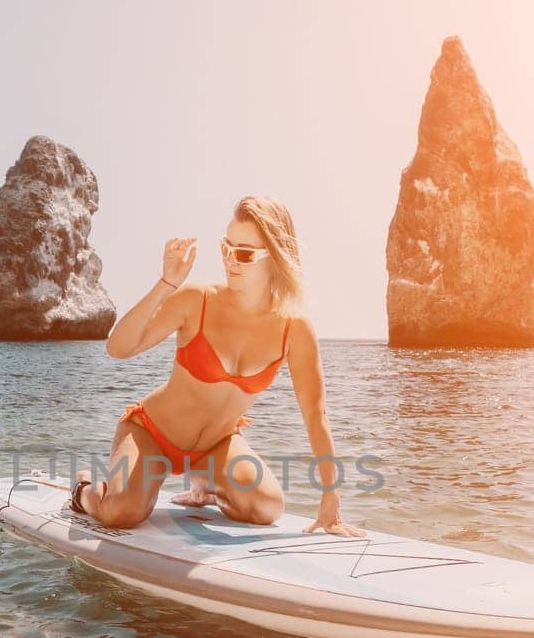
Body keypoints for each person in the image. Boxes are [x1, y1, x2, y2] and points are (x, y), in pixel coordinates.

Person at [70, 195, 366, 537]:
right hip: (151, 434)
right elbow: (118, 348)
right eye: (226, 248)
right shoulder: (198, 300)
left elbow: (316, 417)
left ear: (276, 258)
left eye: (244, 253)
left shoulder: (294, 329)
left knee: (266, 508)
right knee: (121, 512)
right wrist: (167, 283)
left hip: (215, 446)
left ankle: (205, 486)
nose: (230, 260)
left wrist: (331, 501)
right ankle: (84, 489)